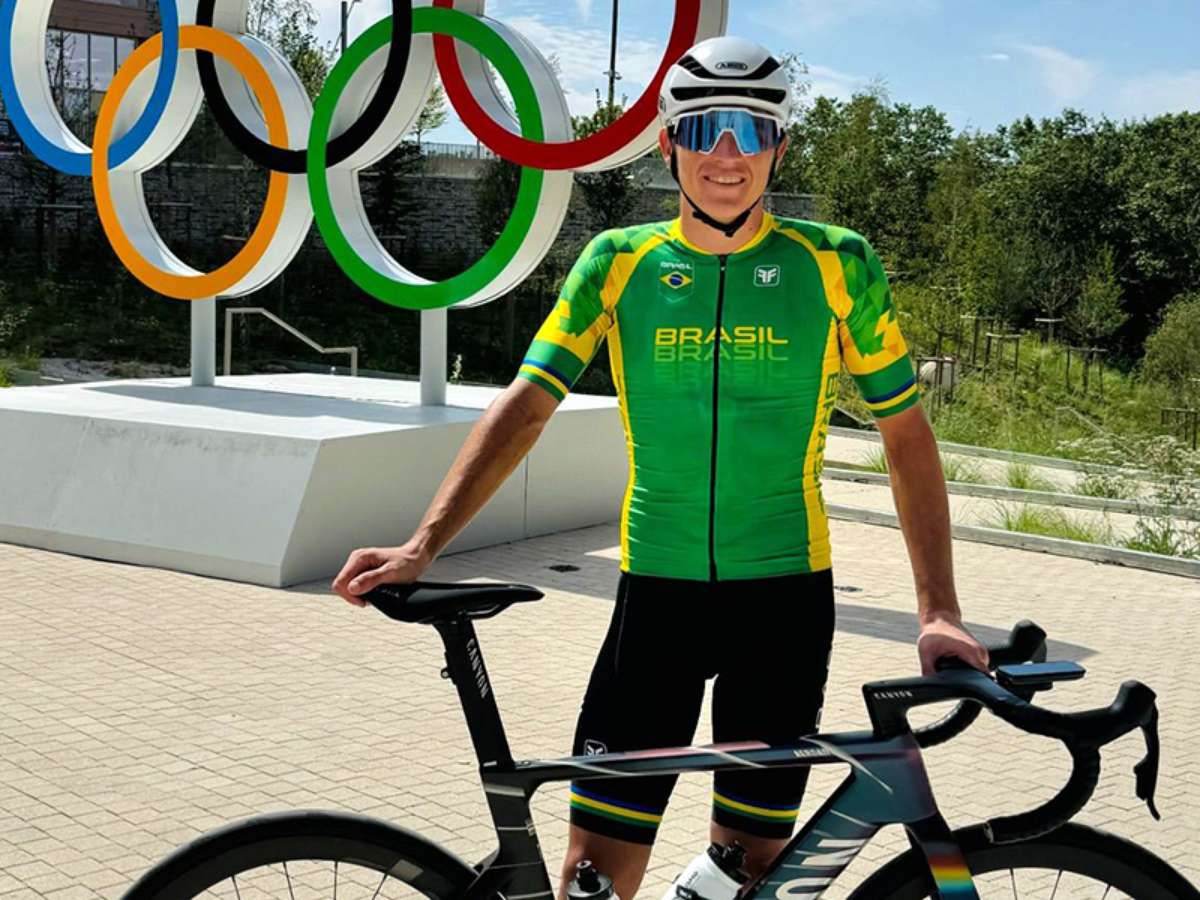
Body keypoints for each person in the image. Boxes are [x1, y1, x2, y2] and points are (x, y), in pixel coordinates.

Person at [333, 35, 989, 900]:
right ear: (669, 142)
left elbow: (905, 433)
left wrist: (938, 610)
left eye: (753, 131)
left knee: (753, 873)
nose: (729, 155)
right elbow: (526, 406)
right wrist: (423, 544)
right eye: (707, 128)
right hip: (657, 603)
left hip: (785, 605)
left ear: (780, 147)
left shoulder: (837, 262)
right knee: (593, 879)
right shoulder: (619, 263)